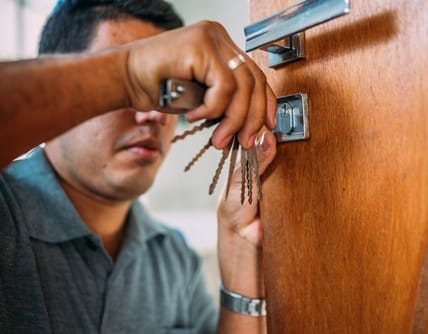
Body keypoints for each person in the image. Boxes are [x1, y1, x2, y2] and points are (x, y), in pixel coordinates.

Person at [0, 0, 277, 333]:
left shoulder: (174, 258)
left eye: (170, 91)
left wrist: (239, 246)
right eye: (134, 89)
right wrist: (128, 72)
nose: (155, 113)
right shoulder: (7, 214)